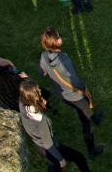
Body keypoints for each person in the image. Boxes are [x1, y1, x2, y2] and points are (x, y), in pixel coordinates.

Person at [39, 27, 104, 158]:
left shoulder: (44, 55)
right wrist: (84, 90)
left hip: (63, 94)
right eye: (58, 37)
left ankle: (94, 117)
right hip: (76, 95)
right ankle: (91, 150)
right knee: (85, 120)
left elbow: (42, 72)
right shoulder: (64, 59)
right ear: (56, 42)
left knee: (85, 112)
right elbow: (74, 81)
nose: (60, 37)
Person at [18, 80, 92, 172]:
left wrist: (40, 104)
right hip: (48, 148)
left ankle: (54, 167)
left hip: (38, 144)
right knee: (79, 158)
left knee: (56, 165)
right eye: (38, 91)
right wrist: (60, 159)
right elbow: (48, 144)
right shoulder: (41, 121)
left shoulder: (22, 102)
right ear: (33, 97)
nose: (40, 91)